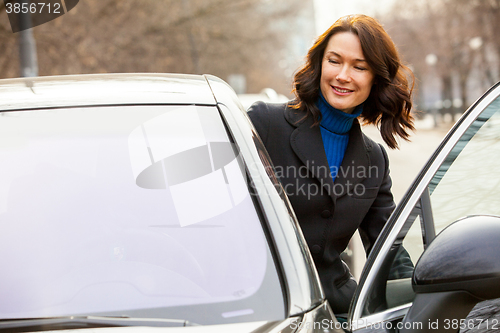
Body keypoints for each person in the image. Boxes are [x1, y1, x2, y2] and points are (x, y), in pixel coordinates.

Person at [247, 14, 415, 315]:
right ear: (319, 64)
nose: (343, 75)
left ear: (376, 77)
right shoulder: (264, 123)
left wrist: (425, 296)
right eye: (334, 61)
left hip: (334, 310)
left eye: (359, 66)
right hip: (260, 305)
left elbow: (389, 249)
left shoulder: (374, 159)